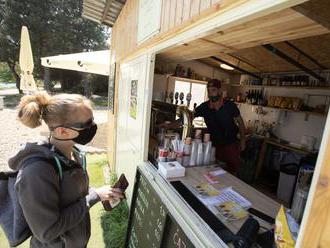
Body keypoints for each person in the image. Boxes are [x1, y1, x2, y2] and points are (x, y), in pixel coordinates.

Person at [8, 92, 123, 248]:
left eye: (93, 120)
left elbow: (71, 194)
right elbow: (47, 231)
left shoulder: (73, 154)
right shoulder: (36, 172)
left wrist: (100, 193)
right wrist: (95, 196)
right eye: (87, 124)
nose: (93, 127)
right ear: (62, 131)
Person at [194, 79, 246, 174]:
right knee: (213, 171)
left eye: (213, 90)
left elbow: (240, 122)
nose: (210, 93)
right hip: (214, 145)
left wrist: (243, 140)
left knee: (232, 171)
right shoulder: (204, 107)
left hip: (231, 144)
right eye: (209, 90)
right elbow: (188, 116)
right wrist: (170, 125)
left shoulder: (230, 106)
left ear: (219, 90)